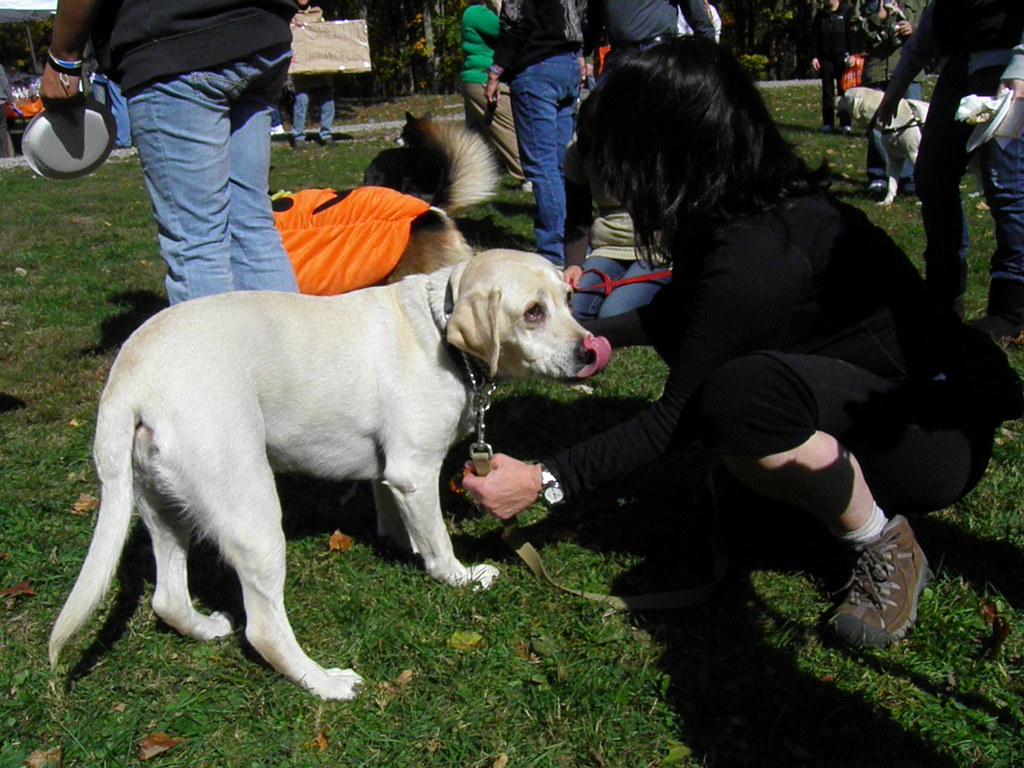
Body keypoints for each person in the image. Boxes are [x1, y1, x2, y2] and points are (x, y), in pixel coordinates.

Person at [463, 39, 1023, 650]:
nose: (603, 173)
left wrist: (544, 480)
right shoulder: (734, 211)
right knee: (738, 423)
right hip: (888, 405)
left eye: (615, 152)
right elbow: (688, 316)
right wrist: (589, 337)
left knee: (737, 400)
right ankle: (795, 498)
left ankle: (883, 542)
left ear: (663, 150)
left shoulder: (760, 251)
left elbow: (678, 414)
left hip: (933, 435)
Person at [40, 0, 300, 306]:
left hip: (178, 44)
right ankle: (282, 353)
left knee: (197, 244)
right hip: (261, 36)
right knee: (252, 225)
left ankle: (212, 354)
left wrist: (63, 59)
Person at [877, 1, 1024, 339]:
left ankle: (1010, 309)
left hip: (1007, 70)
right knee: (931, 177)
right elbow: (936, 14)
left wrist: (1020, 68)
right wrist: (900, 80)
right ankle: (943, 296)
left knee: (1007, 188)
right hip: (958, 70)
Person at [485, 0, 589, 265]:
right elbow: (584, 15)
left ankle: (553, 252)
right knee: (563, 164)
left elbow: (517, 25)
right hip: (568, 67)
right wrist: (580, 56)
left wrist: (496, 71)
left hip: (536, 69)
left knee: (542, 168)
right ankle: (578, 246)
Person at [562, 127, 670, 320]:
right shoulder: (578, 151)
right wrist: (574, 264)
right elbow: (577, 217)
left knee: (613, 314)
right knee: (571, 310)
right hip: (607, 248)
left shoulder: (660, 143)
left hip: (656, 251)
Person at [852, 0, 925, 200]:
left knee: (911, 128)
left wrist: (914, 28)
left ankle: (912, 180)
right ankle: (879, 178)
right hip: (876, 69)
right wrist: (879, 17)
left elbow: (936, 26)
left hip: (910, 68)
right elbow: (854, 30)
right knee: (876, 127)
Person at [460, 0, 528, 188]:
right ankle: (527, 176)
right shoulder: (477, 13)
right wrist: (502, 8)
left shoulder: (473, 13)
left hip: (473, 79)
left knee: (476, 137)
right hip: (483, 79)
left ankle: (469, 177)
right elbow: (508, 32)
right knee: (508, 128)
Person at [289, 1, 336, 148]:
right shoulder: (290, 15)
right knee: (301, 101)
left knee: (327, 101)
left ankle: (326, 134)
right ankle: (298, 136)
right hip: (302, 67)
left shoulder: (318, 14)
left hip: (320, 66)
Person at [811, 0, 856, 133]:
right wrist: (814, 56)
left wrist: (853, 55)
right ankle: (828, 123)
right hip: (826, 59)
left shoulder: (847, 11)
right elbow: (814, 37)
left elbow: (851, 34)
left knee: (844, 91)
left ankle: (845, 123)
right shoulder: (820, 15)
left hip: (843, 58)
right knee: (827, 91)